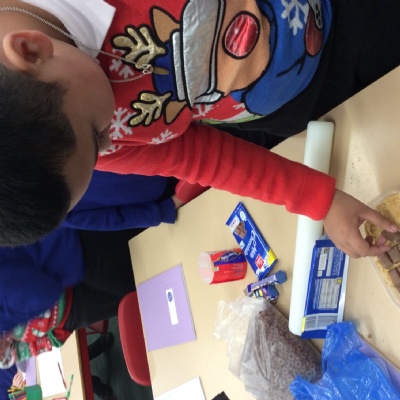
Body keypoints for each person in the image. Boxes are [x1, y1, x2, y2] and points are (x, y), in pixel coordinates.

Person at [0, 0, 398, 259]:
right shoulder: (68, 130)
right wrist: (319, 201)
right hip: (304, 102)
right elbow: (202, 158)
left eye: (95, 134)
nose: (109, 140)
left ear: (31, 51)